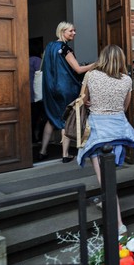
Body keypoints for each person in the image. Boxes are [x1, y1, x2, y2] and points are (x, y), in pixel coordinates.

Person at [76, 45, 134, 235]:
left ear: (102, 58)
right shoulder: (126, 79)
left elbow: (82, 100)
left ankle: (119, 225)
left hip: (99, 132)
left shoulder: (91, 75)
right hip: (119, 130)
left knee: (105, 180)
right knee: (108, 176)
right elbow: (125, 106)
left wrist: (90, 101)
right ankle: (105, 201)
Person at [39, 22, 95, 162]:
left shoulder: (49, 46)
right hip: (66, 88)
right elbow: (78, 70)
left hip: (51, 88)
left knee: (52, 119)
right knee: (67, 119)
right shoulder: (65, 48)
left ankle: (42, 151)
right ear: (62, 31)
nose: (74, 33)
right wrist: (97, 64)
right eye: (71, 31)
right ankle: (65, 154)